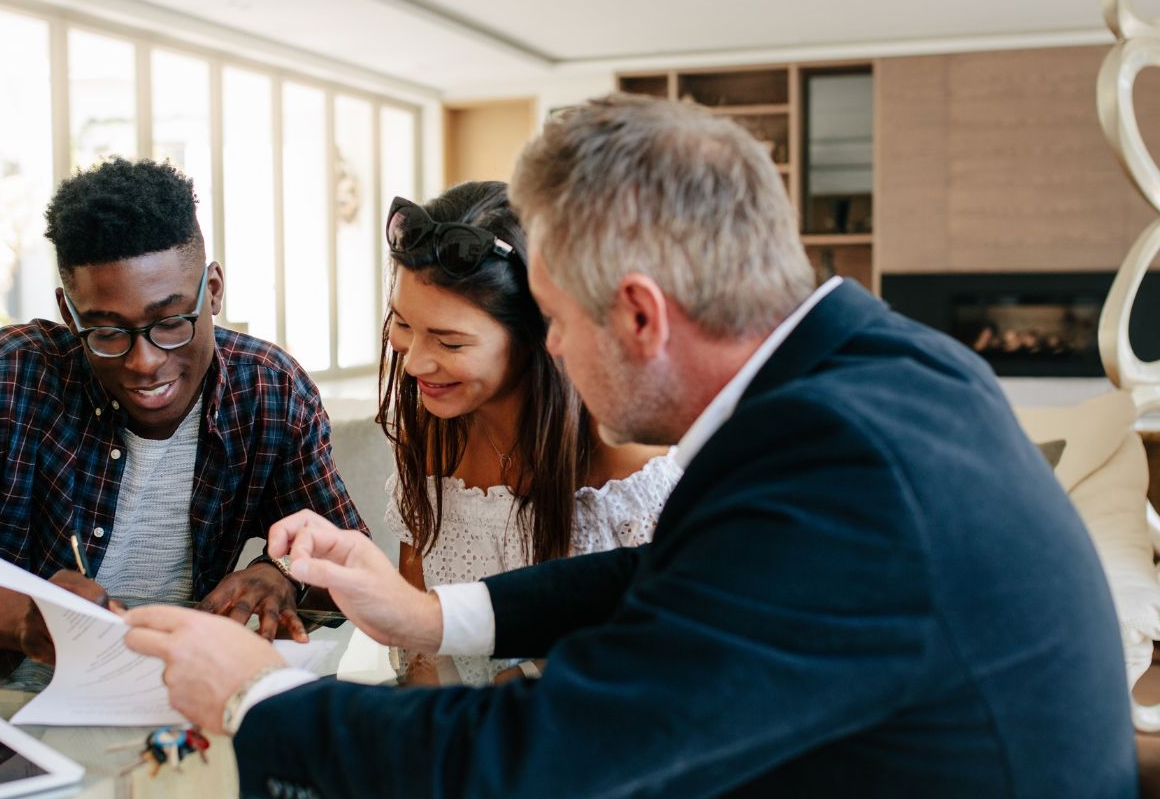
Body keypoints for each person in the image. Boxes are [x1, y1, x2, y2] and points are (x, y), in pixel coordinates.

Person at [125, 96, 1136, 797]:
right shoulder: (882, 366)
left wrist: (255, 700)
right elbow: (688, 574)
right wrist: (432, 613)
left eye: (557, 323)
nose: (554, 352)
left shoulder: (846, 469)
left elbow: (548, 766)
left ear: (642, 316)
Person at [0, 158, 363, 662]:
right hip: (14, 700)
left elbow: (349, 558)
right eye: (105, 331)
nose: (146, 362)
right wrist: (26, 621)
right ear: (68, 312)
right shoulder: (4, 377)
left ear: (212, 292)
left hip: (186, 691)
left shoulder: (268, 389)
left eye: (171, 321)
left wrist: (281, 571)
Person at [379, 181, 679, 684]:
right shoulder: (435, 434)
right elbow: (421, 646)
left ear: (540, 338)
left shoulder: (623, 457)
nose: (414, 363)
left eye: (449, 342)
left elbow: (661, 655)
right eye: (403, 324)